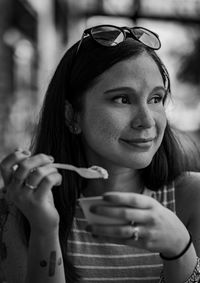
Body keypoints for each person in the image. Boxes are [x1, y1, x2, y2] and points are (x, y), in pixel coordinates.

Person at [0, 24, 200, 283]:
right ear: (72, 116)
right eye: (123, 99)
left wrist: (180, 249)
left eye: (156, 99)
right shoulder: (21, 205)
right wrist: (44, 228)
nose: (147, 121)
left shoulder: (193, 200)